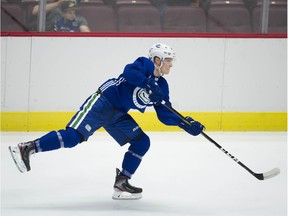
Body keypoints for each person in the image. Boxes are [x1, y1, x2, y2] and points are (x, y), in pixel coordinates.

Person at [8, 43, 205, 200]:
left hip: (118, 113)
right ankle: (28, 148)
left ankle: (122, 182)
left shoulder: (162, 85)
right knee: (74, 137)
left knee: (142, 142)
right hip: (104, 101)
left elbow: (164, 113)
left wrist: (184, 124)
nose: (171, 65)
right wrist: (146, 83)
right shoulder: (144, 65)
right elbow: (129, 72)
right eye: (168, 60)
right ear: (157, 59)